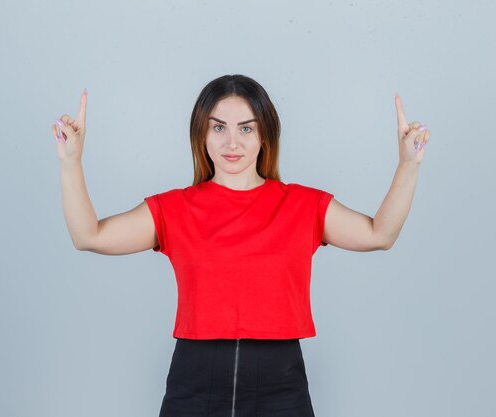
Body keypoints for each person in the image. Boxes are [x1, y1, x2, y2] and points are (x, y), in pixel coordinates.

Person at [50, 74, 430, 417]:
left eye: (246, 129)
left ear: (265, 135)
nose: (232, 142)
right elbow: (89, 236)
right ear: (202, 134)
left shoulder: (303, 205)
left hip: (281, 385)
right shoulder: (173, 208)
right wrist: (71, 162)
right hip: (193, 384)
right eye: (219, 128)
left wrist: (408, 165)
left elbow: (380, 234)